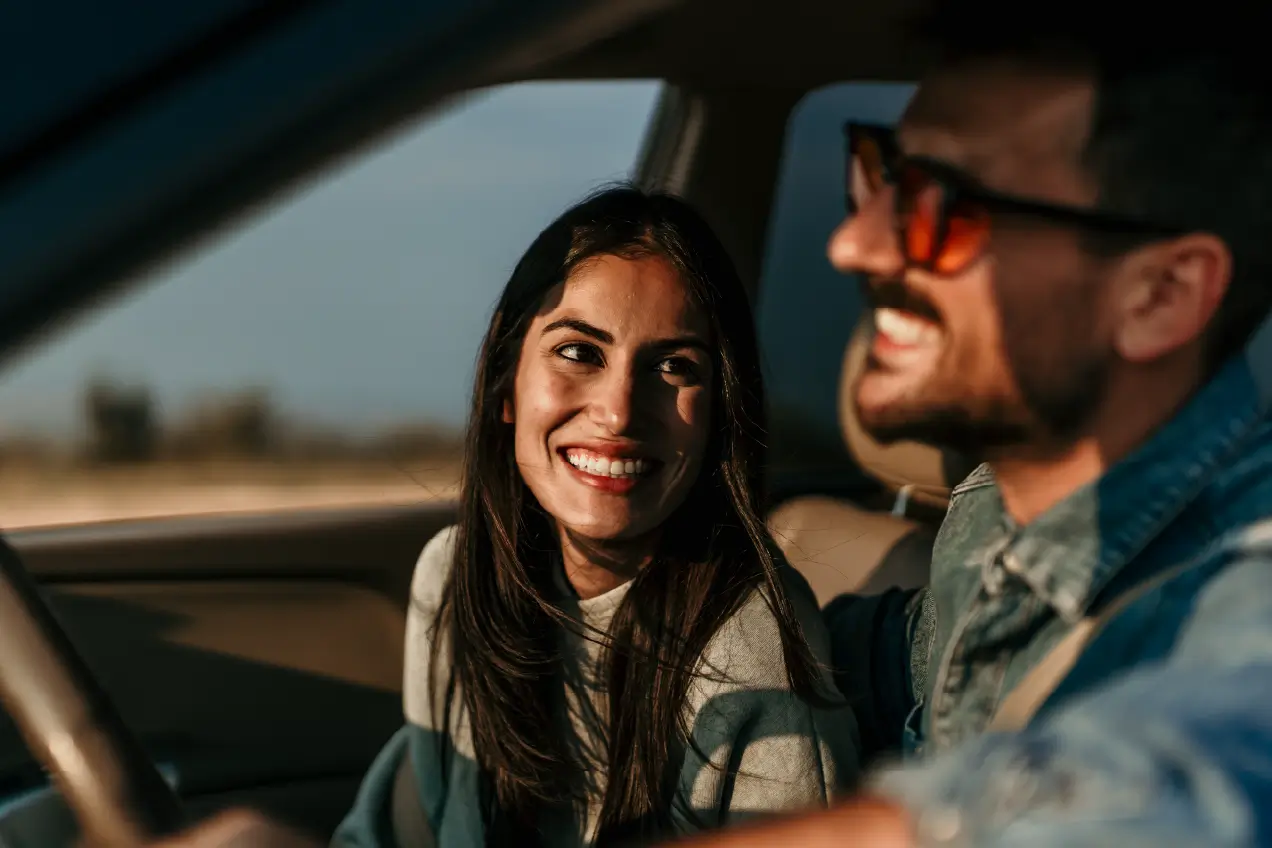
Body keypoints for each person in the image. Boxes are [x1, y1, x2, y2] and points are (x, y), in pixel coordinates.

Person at [670, 1, 1272, 845]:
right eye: (880, 173)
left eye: (941, 202)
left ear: (1160, 296)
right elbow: (916, 660)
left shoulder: (1245, 590)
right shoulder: (993, 513)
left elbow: (1171, 785)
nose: (853, 243)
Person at [326, 185, 858, 846]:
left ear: (721, 414)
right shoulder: (455, 576)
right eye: (580, 353)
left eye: (673, 366)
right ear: (506, 379)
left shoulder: (753, 656)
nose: (618, 412)